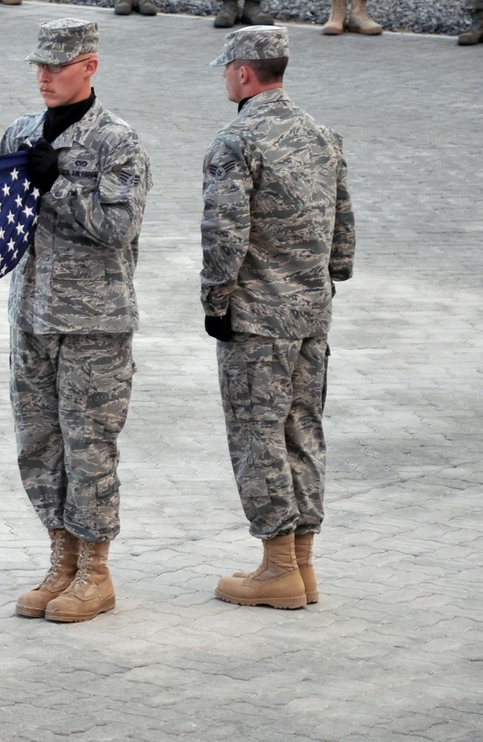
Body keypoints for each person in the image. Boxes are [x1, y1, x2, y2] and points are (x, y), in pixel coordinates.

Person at [0, 18, 151, 624]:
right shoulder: (21, 133)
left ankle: (95, 571)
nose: (45, 76)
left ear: (89, 66)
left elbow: (119, 227)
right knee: (39, 445)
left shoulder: (117, 142)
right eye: (39, 65)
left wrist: (56, 184)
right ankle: (61, 561)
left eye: (57, 66)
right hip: (31, 316)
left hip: (94, 323)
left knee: (89, 447)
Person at [199, 27, 356, 609]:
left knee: (257, 434)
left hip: (258, 319)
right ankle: (303, 565)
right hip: (311, 313)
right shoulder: (322, 134)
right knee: (302, 430)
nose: (225, 77)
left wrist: (216, 301)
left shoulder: (236, 141)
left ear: (243, 73)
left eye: (227, 69)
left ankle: (278, 568)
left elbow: (225, 233)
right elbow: (343, 228)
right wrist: (328, 277)